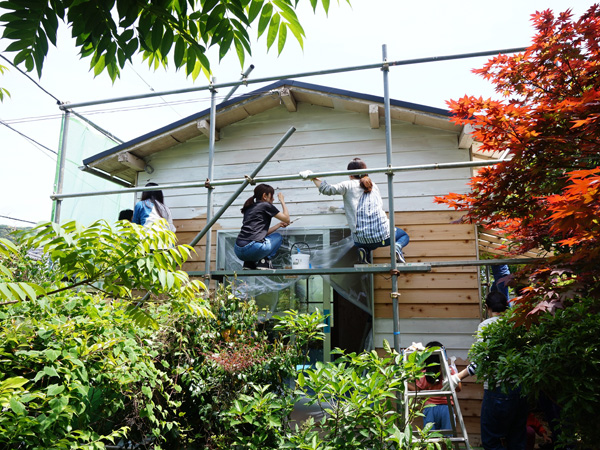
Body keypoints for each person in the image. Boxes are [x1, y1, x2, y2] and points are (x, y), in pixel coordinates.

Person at [450, 291, 528, 450]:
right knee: (517, 439)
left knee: (491, 441)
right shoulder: (516, 323)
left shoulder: (486, 325)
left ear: (487, 307)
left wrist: (458, 377)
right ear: (506, 306)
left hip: (497, 390)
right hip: (520, 390)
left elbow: (482, 360)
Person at [299, 157, 409, 264]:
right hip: (384, 236)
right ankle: (397, 247)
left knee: (365, 242)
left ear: (350, 174)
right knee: (403, 235)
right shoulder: (373, 186)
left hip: (361, 239)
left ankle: (363, 250)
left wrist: (313, 177)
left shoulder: (347, 185)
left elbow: (326, 189)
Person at [234, 183, 290, 270]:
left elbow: (260, 234)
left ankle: (248, 263)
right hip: (253, 248)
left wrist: (278, 225)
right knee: (278, 237)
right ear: (264, 196)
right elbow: (287, 219)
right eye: (271, 196)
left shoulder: (249, 207)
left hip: (238, 250)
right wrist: (282, 200)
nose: (273, 199)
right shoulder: (266, 205)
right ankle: (264, 262)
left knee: (258, 242)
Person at [415, 341, 462, 432]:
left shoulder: (423, 374)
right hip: (447, 408)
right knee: (447, 437)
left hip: (430, 408)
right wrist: (455, 373)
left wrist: (405, 384)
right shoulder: (449, 371)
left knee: (430, 437)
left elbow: (418, 391)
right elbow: (459, 388)